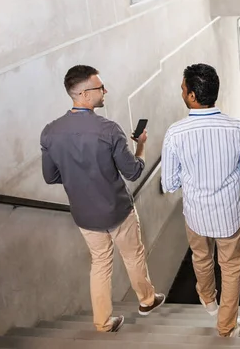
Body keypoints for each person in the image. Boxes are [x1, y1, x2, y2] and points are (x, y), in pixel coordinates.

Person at [40, 65, 164, 333]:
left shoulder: (50, 132)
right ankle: (146, 300)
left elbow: (50, 177)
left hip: (84, 215)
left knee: (100, 263)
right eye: (100, 87)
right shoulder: (108, 129)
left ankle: (103, 322)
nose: (105, 91)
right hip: (118, 210)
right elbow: (133, 171)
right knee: (133, 256)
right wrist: (141, 145)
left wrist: (78, 177)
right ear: (84, 94)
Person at [161, 63, 240, 338]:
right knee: (231, 267)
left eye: (182, 88)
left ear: (192, 96)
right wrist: (228, 173)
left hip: (196, 215)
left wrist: (193, 176)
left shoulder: (175, 133)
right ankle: (226, 326)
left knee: (201, 257)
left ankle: (208, 300)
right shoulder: (238, 129)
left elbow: (169, 184)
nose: (181, 91)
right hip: (230, 215)